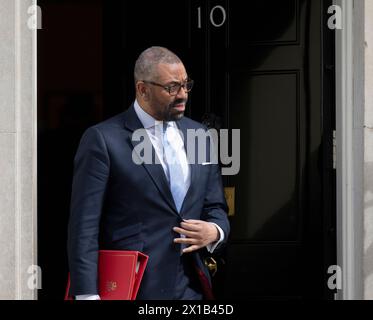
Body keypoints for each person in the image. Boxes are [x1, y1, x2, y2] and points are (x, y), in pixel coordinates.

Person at [67, 46, 230, 300]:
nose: (183, 95)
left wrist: (215, 231)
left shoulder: (200, 136)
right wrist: (87, 294)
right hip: (133, 288)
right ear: (142, 89)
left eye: (186, 85)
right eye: (172, 87)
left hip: (192, 290)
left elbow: (216, 206)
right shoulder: (102, 139)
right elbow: (84, 227)